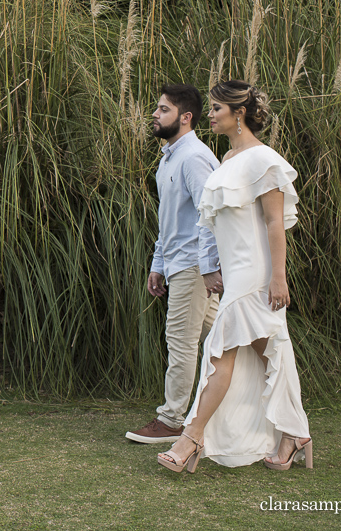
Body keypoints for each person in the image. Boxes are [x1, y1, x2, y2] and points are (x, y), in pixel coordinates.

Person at [158, 80, 312, 472]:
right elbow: (213, 225)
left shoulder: (264, 160)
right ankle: (294, 433)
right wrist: (212, 266)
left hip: (256, 273)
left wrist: (278, 277)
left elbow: (275, 223)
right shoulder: (227, 161)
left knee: (220, 347)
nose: (209, 115)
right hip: (235, 269)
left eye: (216, 109)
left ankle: (190, 438)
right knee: (269, 351)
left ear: (238, 113)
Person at [126, 85, 223, 444]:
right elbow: (169, 221)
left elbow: (210, 215)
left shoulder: (194, 158)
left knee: (181, 341)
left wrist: (209, 265)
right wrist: (158, 264)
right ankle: (254, 397)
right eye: (156, 108)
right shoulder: (169, 157)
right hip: (180, 263)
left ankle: (171, 420)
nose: (154, 114)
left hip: (194, 266)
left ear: (186, 117)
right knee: (222, 335)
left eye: (163, 109)